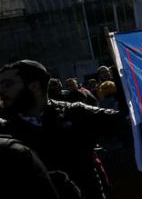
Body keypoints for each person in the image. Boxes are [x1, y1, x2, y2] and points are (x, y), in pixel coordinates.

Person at [0, 60, 128, 199]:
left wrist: (123, 79)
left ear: (34, 86)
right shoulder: (5, 130)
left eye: (8, 84)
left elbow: (126, 122)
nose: (2, 91)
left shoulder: (75, 113)